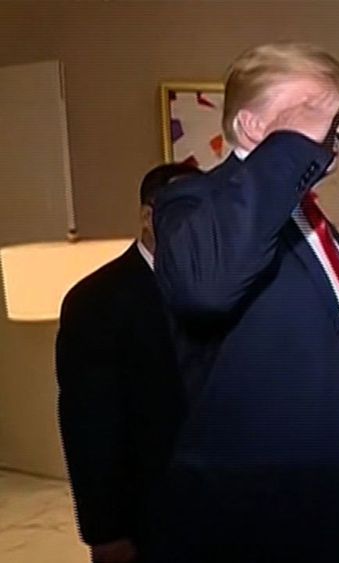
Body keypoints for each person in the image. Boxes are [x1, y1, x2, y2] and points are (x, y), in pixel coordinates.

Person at [150, 43, 339, 562]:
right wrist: (289, 146)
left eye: (333, 115)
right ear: (252, 126)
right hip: (271, 504)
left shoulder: (306, 216)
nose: (331, 130)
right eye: (312, 110)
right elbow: (207, 290)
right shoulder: (192, 202)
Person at [56, 162, 202, 563]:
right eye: (184, 208)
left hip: (222, 511)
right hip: (146, 518)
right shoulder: (96, 300)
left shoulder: (220, 288)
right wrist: (105, 534)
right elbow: (88, 428)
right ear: (147, 217)